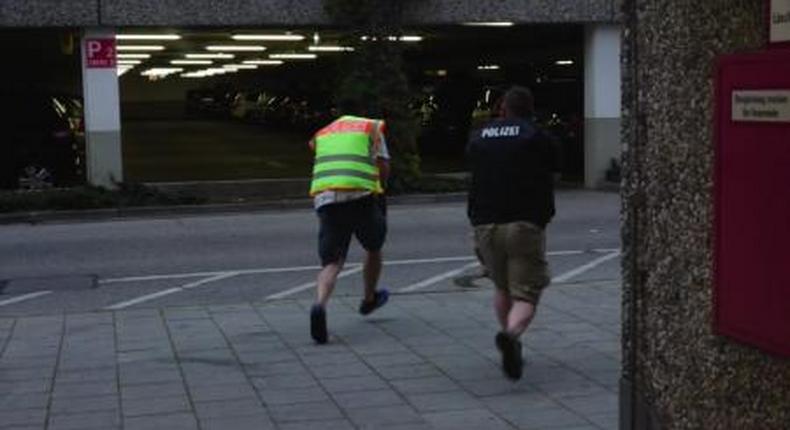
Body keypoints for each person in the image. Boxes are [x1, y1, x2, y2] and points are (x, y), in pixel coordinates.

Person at [466, 86, 559, 380]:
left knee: (501, 287)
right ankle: (512, 334)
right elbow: (555, 170)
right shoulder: (537, 136)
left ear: (503, 108)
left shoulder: (479, 136)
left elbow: (472, 169)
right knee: (526, 294)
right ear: (530, 109)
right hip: (524, 224)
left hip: (485, 225)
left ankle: (511, 343)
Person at [307, 99, 391, 344]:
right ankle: (368, 298)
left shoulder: (324, 133)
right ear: (363, 111)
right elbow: (383, 164)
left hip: (327, 200)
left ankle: (320, 304)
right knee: (373, 246)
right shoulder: (370, 128)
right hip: (361, 197)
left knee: (332, 262)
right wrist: (382, 189)